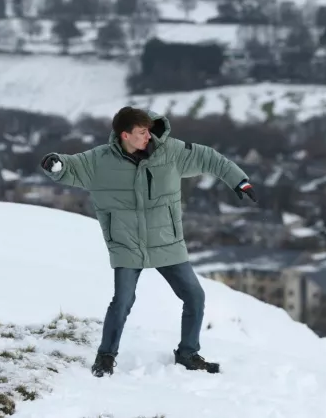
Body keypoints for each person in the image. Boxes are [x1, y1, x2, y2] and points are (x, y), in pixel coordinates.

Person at [40, 106, 259, 378]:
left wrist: (239, 181)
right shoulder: (99, 161)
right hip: (126, 244)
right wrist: (54, 163)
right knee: (122, 301)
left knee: (194, 296)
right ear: (125, 135)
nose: (148, 137)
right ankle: (106, 356)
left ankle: (188, 354)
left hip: (166, 240)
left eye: (148, 131)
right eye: (142, 132)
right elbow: (69, 166)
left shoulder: (171, 152)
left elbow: (210, 158)